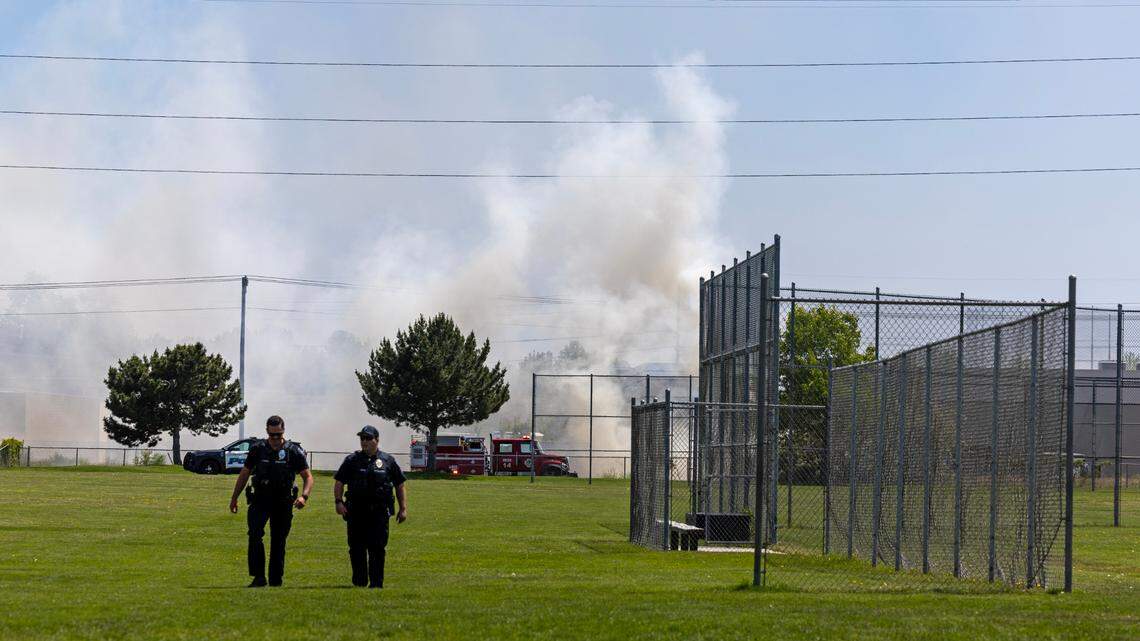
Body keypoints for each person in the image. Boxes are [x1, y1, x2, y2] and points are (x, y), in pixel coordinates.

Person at [229, 416, 313, 587]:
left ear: (284, 431)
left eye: (278, 435)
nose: (275, 439)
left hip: (283, 501)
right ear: (267, 431)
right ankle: (258, 577)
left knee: (278, 540)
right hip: (260, 499)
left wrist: (304, 496)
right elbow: (245, 473)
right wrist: (234, 497)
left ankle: (276, 580)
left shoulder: (293, 451)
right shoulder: (258, 449)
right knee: (254, 535)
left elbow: (308, 477)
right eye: (272, 435)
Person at [333, 425, 407, 588]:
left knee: (377, 548)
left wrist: (403, 509)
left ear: (377, 440)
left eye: (368, 438)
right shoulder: (352, 460)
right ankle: (359, 582)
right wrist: (338, 502)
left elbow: (399, 484)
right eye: (362, 439)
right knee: (356, 548)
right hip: (356, 512)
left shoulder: (388, 460)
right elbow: (339, 482)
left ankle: (376, 583)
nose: (364, 442)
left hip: (379, 512)